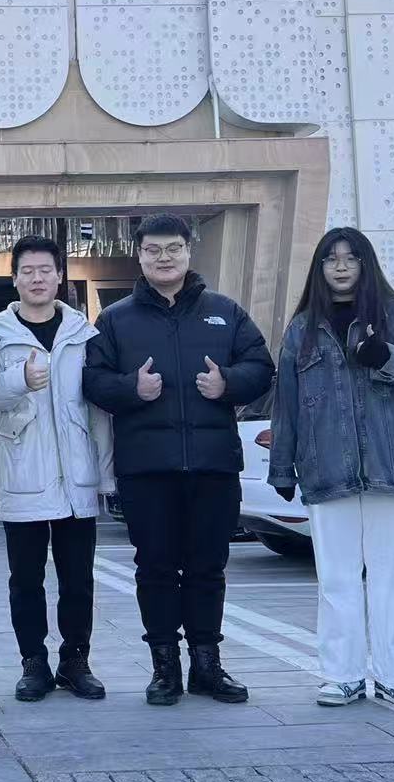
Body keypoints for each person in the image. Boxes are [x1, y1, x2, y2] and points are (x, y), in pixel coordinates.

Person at [82, 213, 274, 707]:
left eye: (172, 248)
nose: (163, 258)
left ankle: (207, 666)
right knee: (156, 569)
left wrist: (228, 382)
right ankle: (164, 668)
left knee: (209, 567)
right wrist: (132, 388)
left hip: (213, 465)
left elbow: (261, 367)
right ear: (139, 256)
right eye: (153, 250)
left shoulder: (224, 312)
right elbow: (93, 381)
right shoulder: (116, 319)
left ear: (189, 251)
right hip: (147, 469)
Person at [268, 228, 394, 710]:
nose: (341, 267)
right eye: (331, 259)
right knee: (337, 578)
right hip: (326, 469)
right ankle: (341, 675)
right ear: (319, 268)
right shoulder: (302, 328)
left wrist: (386, 357)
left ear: (367, 264)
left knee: (393, 577)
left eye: (351, 258)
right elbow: (287, 403)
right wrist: (282, 468)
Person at [0, 235, 113, 703]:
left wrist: (105, 476)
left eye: (45, 271)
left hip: (77, 477)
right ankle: (33, 663)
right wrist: (20, 379)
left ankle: (76, 661)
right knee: (26, 581)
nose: (37, 279)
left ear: (59, 277)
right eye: (28, 271)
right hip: (24, 474)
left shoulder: (84, 333)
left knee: (78, 580)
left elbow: (98, 412)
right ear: (14, 279)